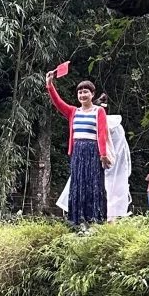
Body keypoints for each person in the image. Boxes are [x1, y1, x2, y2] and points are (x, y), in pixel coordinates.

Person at [46, 71, 109, 226]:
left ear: (92, 94)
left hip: (93, 151)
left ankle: (95, 219)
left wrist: (103, 154)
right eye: (80, 92)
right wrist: (49, 85)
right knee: (78, 183)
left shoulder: (98, 111)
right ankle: (78, 219)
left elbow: (101, 133)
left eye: (85, 92)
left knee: (94, 184)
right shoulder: (74, 111)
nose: (82, 95)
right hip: (77, 151)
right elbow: (58, 102)